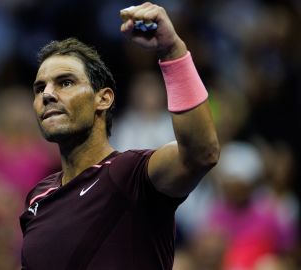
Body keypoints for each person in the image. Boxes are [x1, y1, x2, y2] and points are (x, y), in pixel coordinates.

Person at [19, 2, 220, 270]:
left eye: (65, 82)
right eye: (39, 87)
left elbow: (200, 154)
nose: (46, 94)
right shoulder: (38, 197)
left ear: (103, 99)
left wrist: (172, 50)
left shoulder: (131, 175)